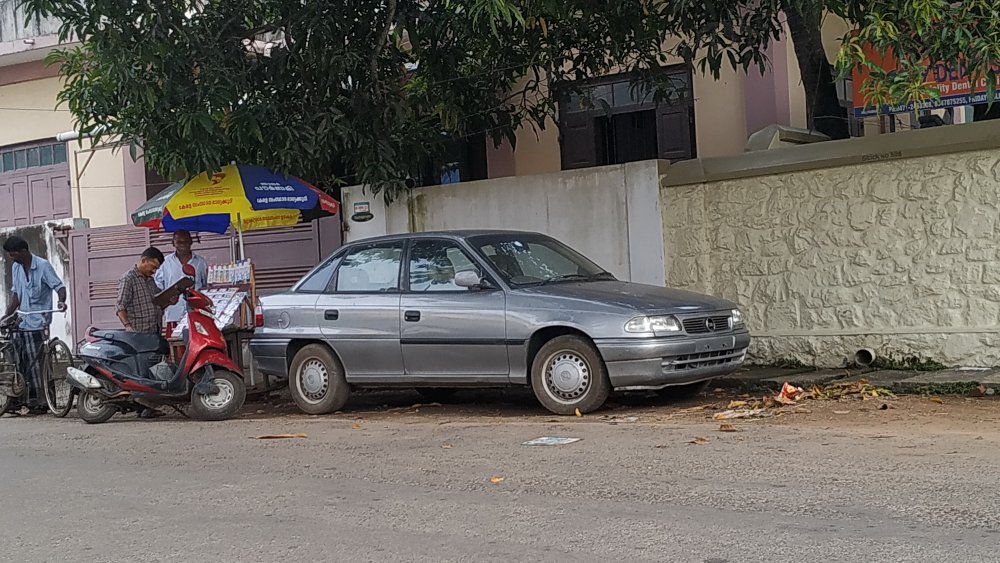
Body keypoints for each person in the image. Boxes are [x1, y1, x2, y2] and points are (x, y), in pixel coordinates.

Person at [2, 236, 68, 414]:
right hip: (21, 320)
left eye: (13, 254)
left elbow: (59, 287)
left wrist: (61, 302)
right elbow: (16, 296)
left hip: (38, 321)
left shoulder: (43, 266)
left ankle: (42, 401)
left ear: (23, 251)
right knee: (19, 362)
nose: (11, 257)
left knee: (37, 364)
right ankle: (19, 400)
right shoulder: (16, 268)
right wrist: (6, 316)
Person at [116, 246, 175, 419]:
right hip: (138, 335)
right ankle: (141, 406)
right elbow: (120, 306)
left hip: (154, 332)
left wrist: (169, 301)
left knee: (152, 369)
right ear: (143, 261)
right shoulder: (128, 279)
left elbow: (158, 303)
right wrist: (128, 326)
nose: (155, 271)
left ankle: (148, 406)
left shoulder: (150, 281)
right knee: (141, 370)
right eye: (153, 267)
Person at [154, 230, 207, 336]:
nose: (183, 245)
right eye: (179, 242)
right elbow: (157, 288)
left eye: (186, 242)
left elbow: (205, 286)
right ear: (173, 243)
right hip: (174, 315)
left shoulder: (201, 262)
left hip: (197, 314)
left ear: (191, 242)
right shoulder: (165, 263)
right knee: (177, 349)